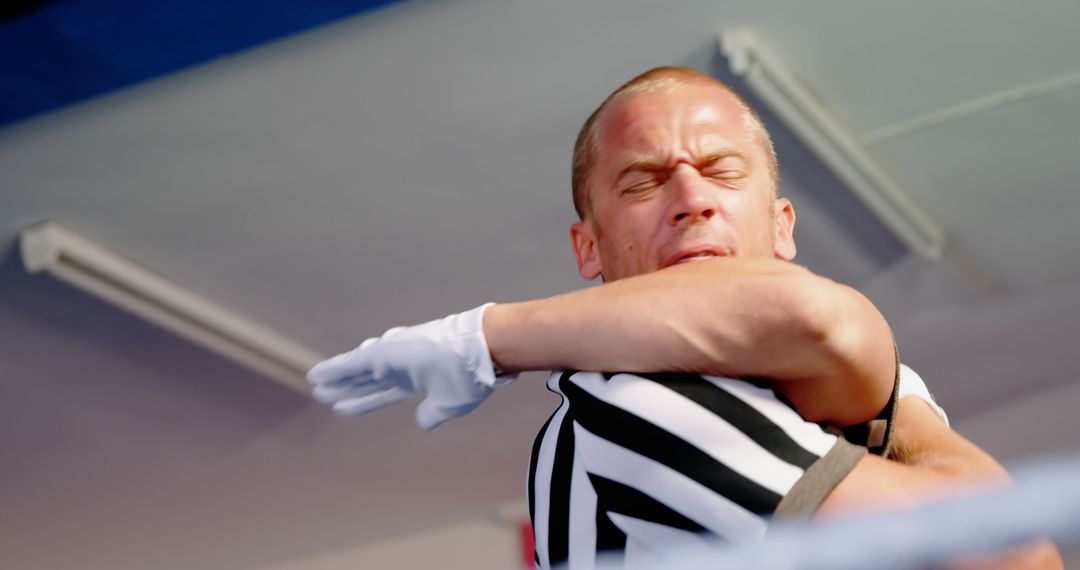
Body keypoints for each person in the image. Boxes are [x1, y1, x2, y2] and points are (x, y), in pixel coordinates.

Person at [307, 67, 1062, 569]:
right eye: (643, 182)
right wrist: (907, 416)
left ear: (783, 226)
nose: (692, 197)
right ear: (588, 246)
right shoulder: (629, 401)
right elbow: (1017, 554)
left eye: (723, 171)